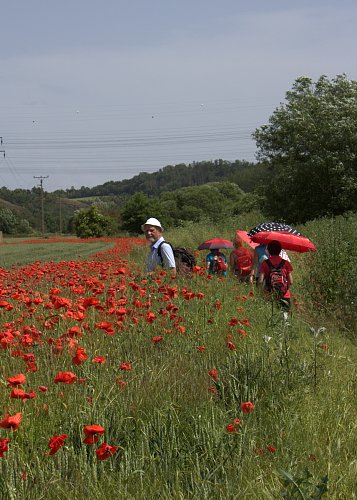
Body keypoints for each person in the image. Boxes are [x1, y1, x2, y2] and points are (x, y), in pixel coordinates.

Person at [258, 240, 293, 311]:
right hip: (285, 295)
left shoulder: (265, 263)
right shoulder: (286, 263)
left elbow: (260, 281)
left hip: (269, 294)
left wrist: (263, 292)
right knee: (285, 317)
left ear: (268, 251)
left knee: (271, 315)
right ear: (280, 250)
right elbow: (291, 281)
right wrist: (284, 289)